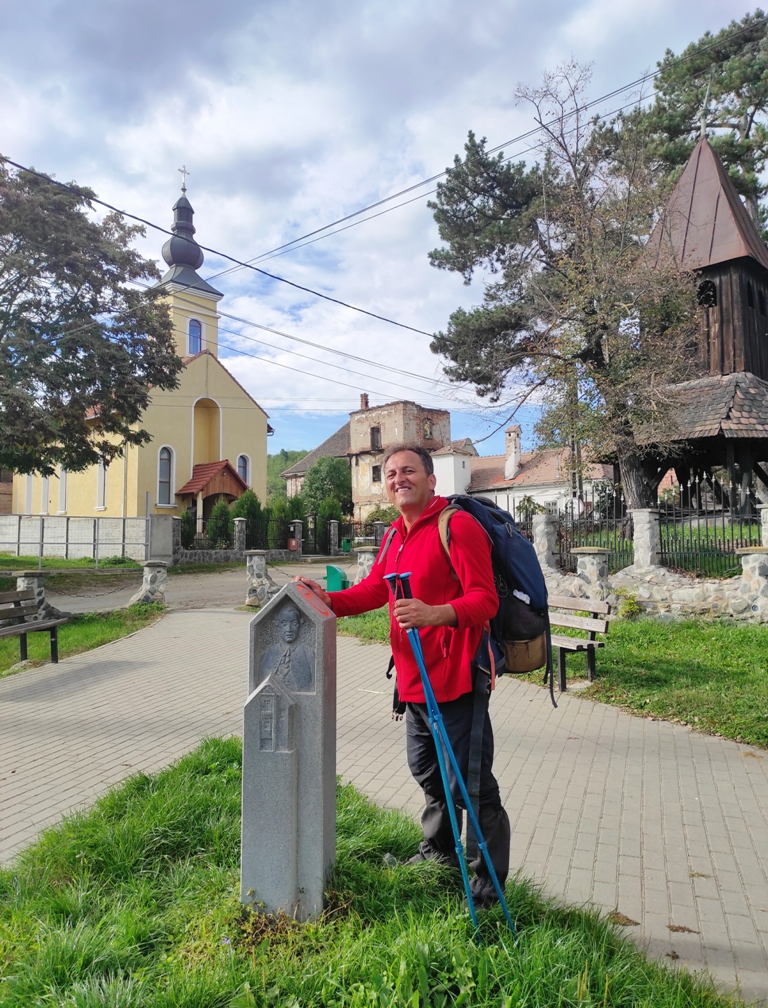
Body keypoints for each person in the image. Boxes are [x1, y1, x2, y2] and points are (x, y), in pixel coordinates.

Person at [298, 444, 510, 908]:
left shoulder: (457, 526)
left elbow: (485, 600)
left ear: (431, 480)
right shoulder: (394, 534)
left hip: (456, 679)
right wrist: (330, 600)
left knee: (471, 785)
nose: (398, 479)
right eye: (391, 473)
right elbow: (375, 590)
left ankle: (488, 887)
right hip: (413, 681)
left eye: (408, 470)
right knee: (428, 773)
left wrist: (436, 613)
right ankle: (439, 852)